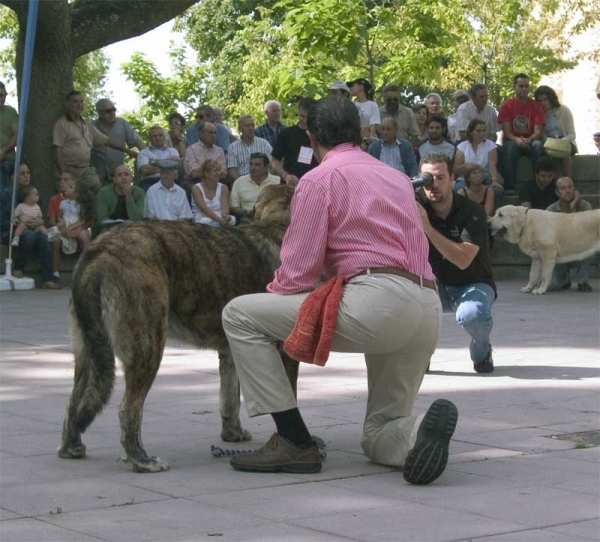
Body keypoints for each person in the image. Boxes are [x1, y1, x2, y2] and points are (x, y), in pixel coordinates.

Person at [222, 96, 457, 485]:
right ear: (361, 132)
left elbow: (297, 273)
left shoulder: (318, 179)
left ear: (311, 135)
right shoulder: (397, 178)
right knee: (380, 430)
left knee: (240, 315)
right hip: (427, 305)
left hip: (378, 302)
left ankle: (293, 440)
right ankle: (417, 433)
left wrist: (273, 305)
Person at [416, 153, 496, 374]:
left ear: (453, 178)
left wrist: (427, 228)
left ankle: (482, 351)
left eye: (440, 178)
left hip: (472, 281)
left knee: (473, 315)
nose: (433, 185)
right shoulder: (415, 207)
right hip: (432, 285)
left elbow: (463, 260)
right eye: (427, 179)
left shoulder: (473, 211)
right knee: (404, 303)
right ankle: (420, 354)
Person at [53, 90, 138, 194]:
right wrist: (64, 173)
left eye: (81, 101)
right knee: (69, 196)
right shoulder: (61, 124)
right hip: (69, 168)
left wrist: (127, 150)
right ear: (67, 104)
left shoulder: (86, 124)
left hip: (85, 169)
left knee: (97, 188)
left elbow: (107, 141)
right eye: (75, 102)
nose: (79, 105)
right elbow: (57, 149)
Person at [8, 165, 60, 288]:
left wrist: (39, 222)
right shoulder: (8, 194)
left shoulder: (34, 193)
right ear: (13, 177)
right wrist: (19, 222)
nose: (27, 175)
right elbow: (6, 220)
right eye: (22, 173)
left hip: (33, 228)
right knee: (30, 236)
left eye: (28, 172)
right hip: (17, 230)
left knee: (43, 238)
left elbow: (38, 214)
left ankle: (47, 278)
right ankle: (18, 267)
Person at [498, 74, 545, 191]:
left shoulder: (537, 106)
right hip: (513, 142)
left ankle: (539, 185)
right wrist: (517, 140)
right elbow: (507, 132)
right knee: (509, 147)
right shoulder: (506, 106)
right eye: (521, 86)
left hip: (531, 141)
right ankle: (509, 186)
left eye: (526, 86)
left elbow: (538, 131)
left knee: (538, 145)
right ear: (514, 86)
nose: (524, 89)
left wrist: (529, 140)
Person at [546, 177, 593, 293]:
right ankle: (562, 280)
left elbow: (585, 232)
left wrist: (573, 207)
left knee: (587, 243)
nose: (567, 190)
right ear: (557, 192)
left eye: (570, 187)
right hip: (559, 251)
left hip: (579, 250)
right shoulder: (550, 210)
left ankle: (582, 281)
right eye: (563, 188)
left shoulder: (585, 206)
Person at [90, 99, 145, 185]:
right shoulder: (91, 126)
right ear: (99, 113)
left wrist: (147, 156)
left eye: (114, 110)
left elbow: (137, 141)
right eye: (108, 111)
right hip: (97, 175)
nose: (112, 113)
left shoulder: (122, 123)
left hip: (117, 175)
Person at [51, 177, 94, 279]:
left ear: (77, 192)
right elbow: (60, 217)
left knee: (84, 237)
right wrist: (61, 224)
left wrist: (71, 228)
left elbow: (83, 220)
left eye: (70, 187)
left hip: (77, 226)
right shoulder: (62, 203)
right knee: (54, 238)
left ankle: (86, 268)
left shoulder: (81, 204)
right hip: (65, 226)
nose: (66, 188)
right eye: (67, 186)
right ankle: (55, 271)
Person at [454, 119, 503, 207]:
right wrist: (470, 168)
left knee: (497, 190)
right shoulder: (462, 146)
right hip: (466, 176)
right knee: (458, 189)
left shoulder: (490, 145)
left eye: (484, 131)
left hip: (486, 175)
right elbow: (456, 168)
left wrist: (494, 180)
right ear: (471, 132)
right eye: (478, 131)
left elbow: (492, 164)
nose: (482, 133)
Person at [271, 97, 318, 186]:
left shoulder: (321, 135)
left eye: (308, 117)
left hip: (313, 185)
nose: (305, 120)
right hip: (290, 186)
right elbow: (275, 161)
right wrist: (285, 175)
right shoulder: (286, 133)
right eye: (302, 116)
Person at [534, 85, 577, 179]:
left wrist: (560, 142)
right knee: (549, 155)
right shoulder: (538, 114)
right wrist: (551, 142)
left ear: (551, 98)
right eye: (540, 101)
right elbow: (541, 134)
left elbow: (572, 134)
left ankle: (568, 182)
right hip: (549, 143)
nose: (543, 103)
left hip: (566, 142)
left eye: (545, 99)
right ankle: (553, 184)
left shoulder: (564, 110)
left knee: (564, 153)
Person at [230, 152, 281, 224]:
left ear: (266, 167)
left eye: (257, 165)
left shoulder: (278, 181)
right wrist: (247, 212)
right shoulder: (239, 182)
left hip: (272, 220)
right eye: (251, 164)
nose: (253, 168)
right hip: (247, 219)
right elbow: (234, 207)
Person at [95, 164, 145, 235]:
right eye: (119, 175)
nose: (123, 177)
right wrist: (120, 225)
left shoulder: (139, 192)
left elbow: (138, 219)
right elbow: (102, 220)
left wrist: (128, 196)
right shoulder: (103, 192)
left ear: (131, 178)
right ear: (114, 180)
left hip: (132, 229)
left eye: (126, 174)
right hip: (110, 229)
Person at [227, 115, 272, 185]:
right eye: (247, 126)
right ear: (240, 129)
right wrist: (240, 184)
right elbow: (232, 171)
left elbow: (271, 164)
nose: (250, 128)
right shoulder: (232, 147)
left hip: (263, 182)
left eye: (252, 125)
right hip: (242, 182)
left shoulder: (264, 143)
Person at [191, 159, 235, 227]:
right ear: (206, 173)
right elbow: (204, 209)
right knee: (206, 222)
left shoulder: (223, 187)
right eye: (215, 171)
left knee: (232, 219)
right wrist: (219, 220)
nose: (219, 173)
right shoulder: (196, 188)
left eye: (219, 170)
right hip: (202, 216)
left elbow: (225, 206)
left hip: (219, 214)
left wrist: (225, 216)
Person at [137, 126, 180, 192]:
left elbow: (176, 165)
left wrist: (154, 162)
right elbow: (145, 170)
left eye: (160, 135)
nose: (158, 138)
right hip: (150, 182)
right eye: (154, 136)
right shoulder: (143, 153)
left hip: (171, 181)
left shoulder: (173, 151)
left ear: (164, 137)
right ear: (149, 138)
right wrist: (168, 165)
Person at [347, 77, 380, 145]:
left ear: (361, 87)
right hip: (354, 141)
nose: (351, 88)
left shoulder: (372, 105)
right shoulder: (351, 104)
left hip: (368, 141)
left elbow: (372, 126)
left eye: (353, 86)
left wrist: (370, 141)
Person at [0, 82, 18, 189]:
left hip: (7, 160)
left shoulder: (11, 112)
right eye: (0, 95)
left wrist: (3, 150)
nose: (3, 98)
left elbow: (17, 136)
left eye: (5, 95)